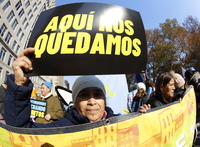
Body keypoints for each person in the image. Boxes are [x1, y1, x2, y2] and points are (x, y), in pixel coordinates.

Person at [4, 48, 150, 128]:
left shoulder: (124, 123)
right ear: (74, 99)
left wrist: (148, 120)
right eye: (84, 95)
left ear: (105, 100)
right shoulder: (61, 128)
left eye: (98, 94)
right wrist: (19, 85)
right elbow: (20, 130)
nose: (92, 101)